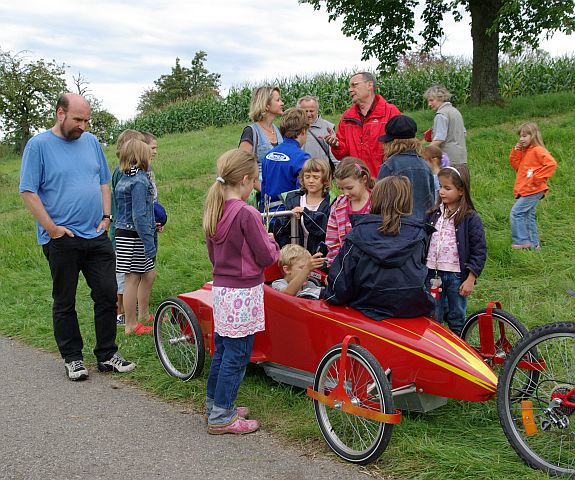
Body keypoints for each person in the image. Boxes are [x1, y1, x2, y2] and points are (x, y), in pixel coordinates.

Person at [19, 92, 135, 381]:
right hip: (62, 238)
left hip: (96, 234)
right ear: (60, 113)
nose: (82, 126)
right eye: (77, 119)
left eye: (86, 120)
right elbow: (28, 191)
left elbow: (104, 181)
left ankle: (107, 354)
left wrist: (107, 217)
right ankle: (73, 358)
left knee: (107, 293)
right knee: (65, 300)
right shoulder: (38, 146)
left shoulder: (91, 142)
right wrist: (52, 229)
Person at [203, 149, 280, 435]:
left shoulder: (215, 209)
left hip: (223, 290)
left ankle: (215, 404)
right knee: (237, 354)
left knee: (223, 350)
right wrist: (272, 242)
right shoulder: (247, 212)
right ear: (245, 180)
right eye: (255, 180)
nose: (255, 186)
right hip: (243, 293)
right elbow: (266, 256)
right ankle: (222, 416)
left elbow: (215, 254)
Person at [325, 176, 434, 320]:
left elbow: (341, 283)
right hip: (410, 307)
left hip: (364, 306)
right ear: (407, 201)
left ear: (376, 199)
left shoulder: (358, 233)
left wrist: (329, 293)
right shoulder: (419, 235)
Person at [425, 165, 487, 336]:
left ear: (461, 191)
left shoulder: (470, 218)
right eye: (440, 187)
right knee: (433, 315)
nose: (441, 192)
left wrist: (470, 279)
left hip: (456, 277)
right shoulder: (433, 214)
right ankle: (436, 347)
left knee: (457, 316)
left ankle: (459, 344)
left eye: (447, 188)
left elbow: (479, 250)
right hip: (432, 274)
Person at [114, 139, 157, 336]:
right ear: (141, 156)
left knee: (146, 274)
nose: (151, 155)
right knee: (132, 278)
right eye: (148, 152)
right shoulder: (139, 180)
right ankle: (130, 324)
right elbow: (139, 215)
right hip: (134, 235)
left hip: (124, 232)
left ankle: (142, 316)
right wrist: (149, 242)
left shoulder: (124, 178)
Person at [324, 72, 401, 177]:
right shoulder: (347, 117)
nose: (350, 90)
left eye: (354, 85)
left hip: (384, 179)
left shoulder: (390, 112)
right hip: (357, 180)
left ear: (369, 85)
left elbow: (401, 147)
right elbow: (342, 155)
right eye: (349, 87)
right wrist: (337, 145)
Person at [111, 129, 146, 325]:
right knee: (125, 275)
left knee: (130, 274)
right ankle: (121, 312)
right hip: (124, 229)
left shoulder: (130, 174)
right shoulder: (123, 174)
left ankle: (129, 311)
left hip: (124, 227)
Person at [509, 122, 557, 250]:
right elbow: (517, 166)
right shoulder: (525, 152)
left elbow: (551, 163)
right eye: (520, 136)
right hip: (527, 189)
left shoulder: (537, 150)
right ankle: (535, 245)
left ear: (533, 136)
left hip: (534, 189)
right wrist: (516, 151)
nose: (521, 139)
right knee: (528, 216)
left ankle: (522, 241)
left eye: (525, 136)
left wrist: (536, 178)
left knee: (516, 212)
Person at [377, 115, 436, 221]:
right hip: (422, 225)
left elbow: (379, 200)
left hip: (397, 225)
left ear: (391, 142)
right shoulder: (425, 165)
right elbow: (431, 198)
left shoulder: (389, 166)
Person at [273, 157, 332, 254]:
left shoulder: (331, 202)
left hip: (319, 256)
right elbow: (281, 231)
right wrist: (290, 217)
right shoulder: (293, 199)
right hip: (296, 256)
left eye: (316, 177)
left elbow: (323, 230)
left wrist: (305, 213)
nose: (311, 181)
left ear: (325, 179)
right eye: (307, 177)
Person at [325, 157, 374, 267]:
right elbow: (332, 242)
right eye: (341, 189)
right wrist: (335, 266)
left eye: (349, 188)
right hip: (345, 266)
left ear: (364, 179)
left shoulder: (377, 202)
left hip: (371, 266)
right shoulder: (338, 205)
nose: (345, 193)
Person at [261, 107, 310, 213]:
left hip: (268, 213)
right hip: (289, 215)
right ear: (303, 131)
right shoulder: (302, 158)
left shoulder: (268, 156)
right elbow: (303, 192)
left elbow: (263, 188)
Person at [238, 86, 284, 189]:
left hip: (279, 192)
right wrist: (263, 190)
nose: (282, 103)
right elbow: (242, 166)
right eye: (278, 100)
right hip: (259, 193)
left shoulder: (280, 131)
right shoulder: (251, 132)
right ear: (266, 105)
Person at [424, 85, 467, 165]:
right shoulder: (455, 112)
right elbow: (463, 133)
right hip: (461, 157)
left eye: (431, 100)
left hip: (447, 159)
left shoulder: (441, 115)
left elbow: (439, 139)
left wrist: (424, 153)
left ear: (440, 98)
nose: (429, 104)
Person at [297, 95, 337, 171]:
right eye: (305, 111)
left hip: (322, 174)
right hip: (300, 173)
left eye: (311, 111)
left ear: (317, 110)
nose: (308, 114)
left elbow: (335, 156)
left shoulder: (328, 128)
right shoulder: (293, 128)